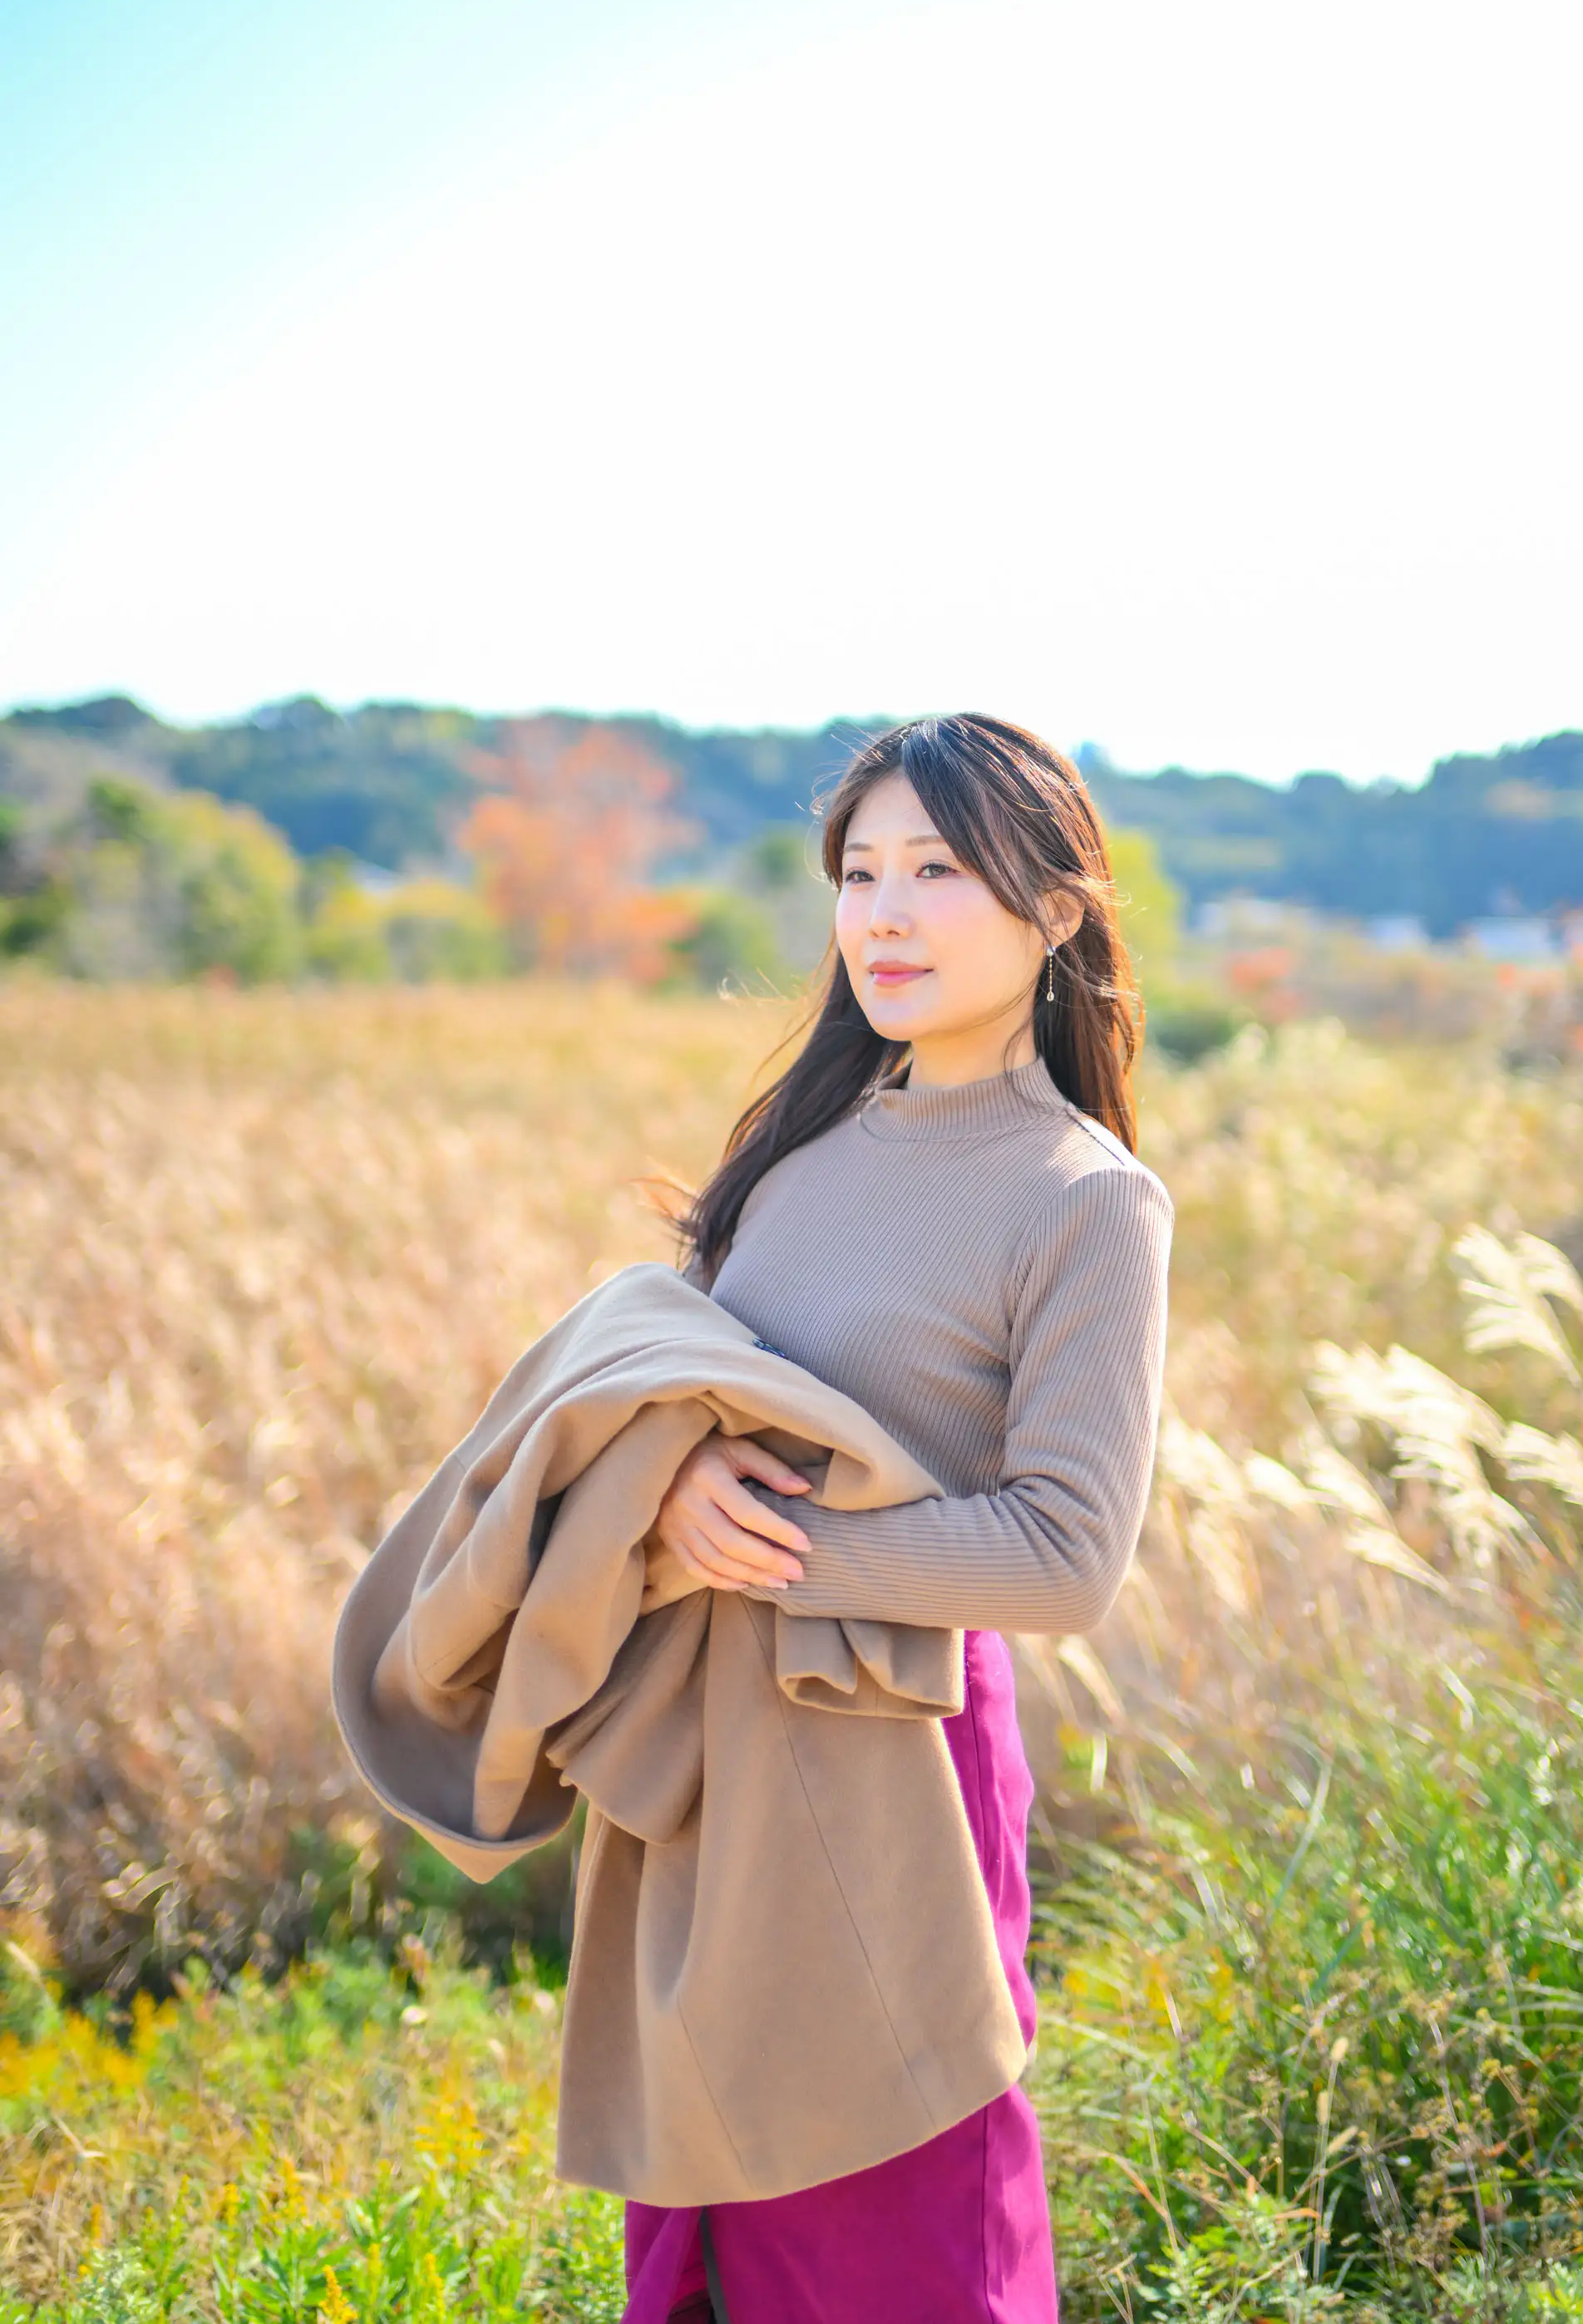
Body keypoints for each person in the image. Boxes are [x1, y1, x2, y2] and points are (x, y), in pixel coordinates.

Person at [627, 711, 1174, 2324]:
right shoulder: (795, 1156)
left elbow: (1067, 1556)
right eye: (858, 871)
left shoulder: (1082, 1198)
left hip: (896, 1757)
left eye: (936, 870)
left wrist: (767, 1560)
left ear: (1057, 909)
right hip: (719, 1744)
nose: (882, 911)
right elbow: (692, 1411)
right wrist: (667, 1496)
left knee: (899, 2234)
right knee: (717, 2212)